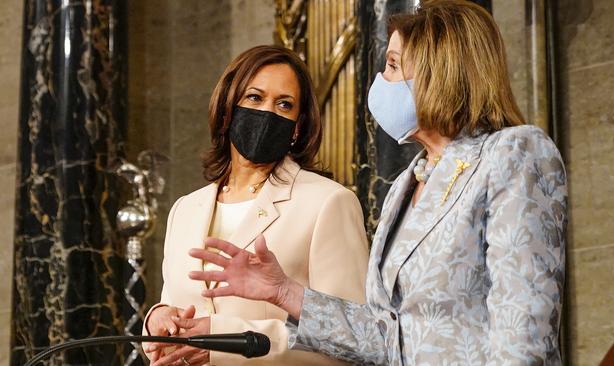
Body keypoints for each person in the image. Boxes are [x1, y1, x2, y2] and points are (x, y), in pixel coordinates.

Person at [188, 1, 568, 365]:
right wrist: (284, 292)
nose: (380, 81)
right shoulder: (407, 182)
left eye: (391, 66)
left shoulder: (513, 153)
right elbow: (385, 336)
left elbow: (523, 333)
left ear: (439, 73)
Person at [142, 45, 369, 366]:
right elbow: (177, 313)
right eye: (254, 98)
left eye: (284, 104)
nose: (266, 113)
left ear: (298, 128)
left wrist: (224, 344)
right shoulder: (185, 209)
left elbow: (352, 339)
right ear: (227, 111)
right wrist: (158, 319)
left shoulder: (328, 202)